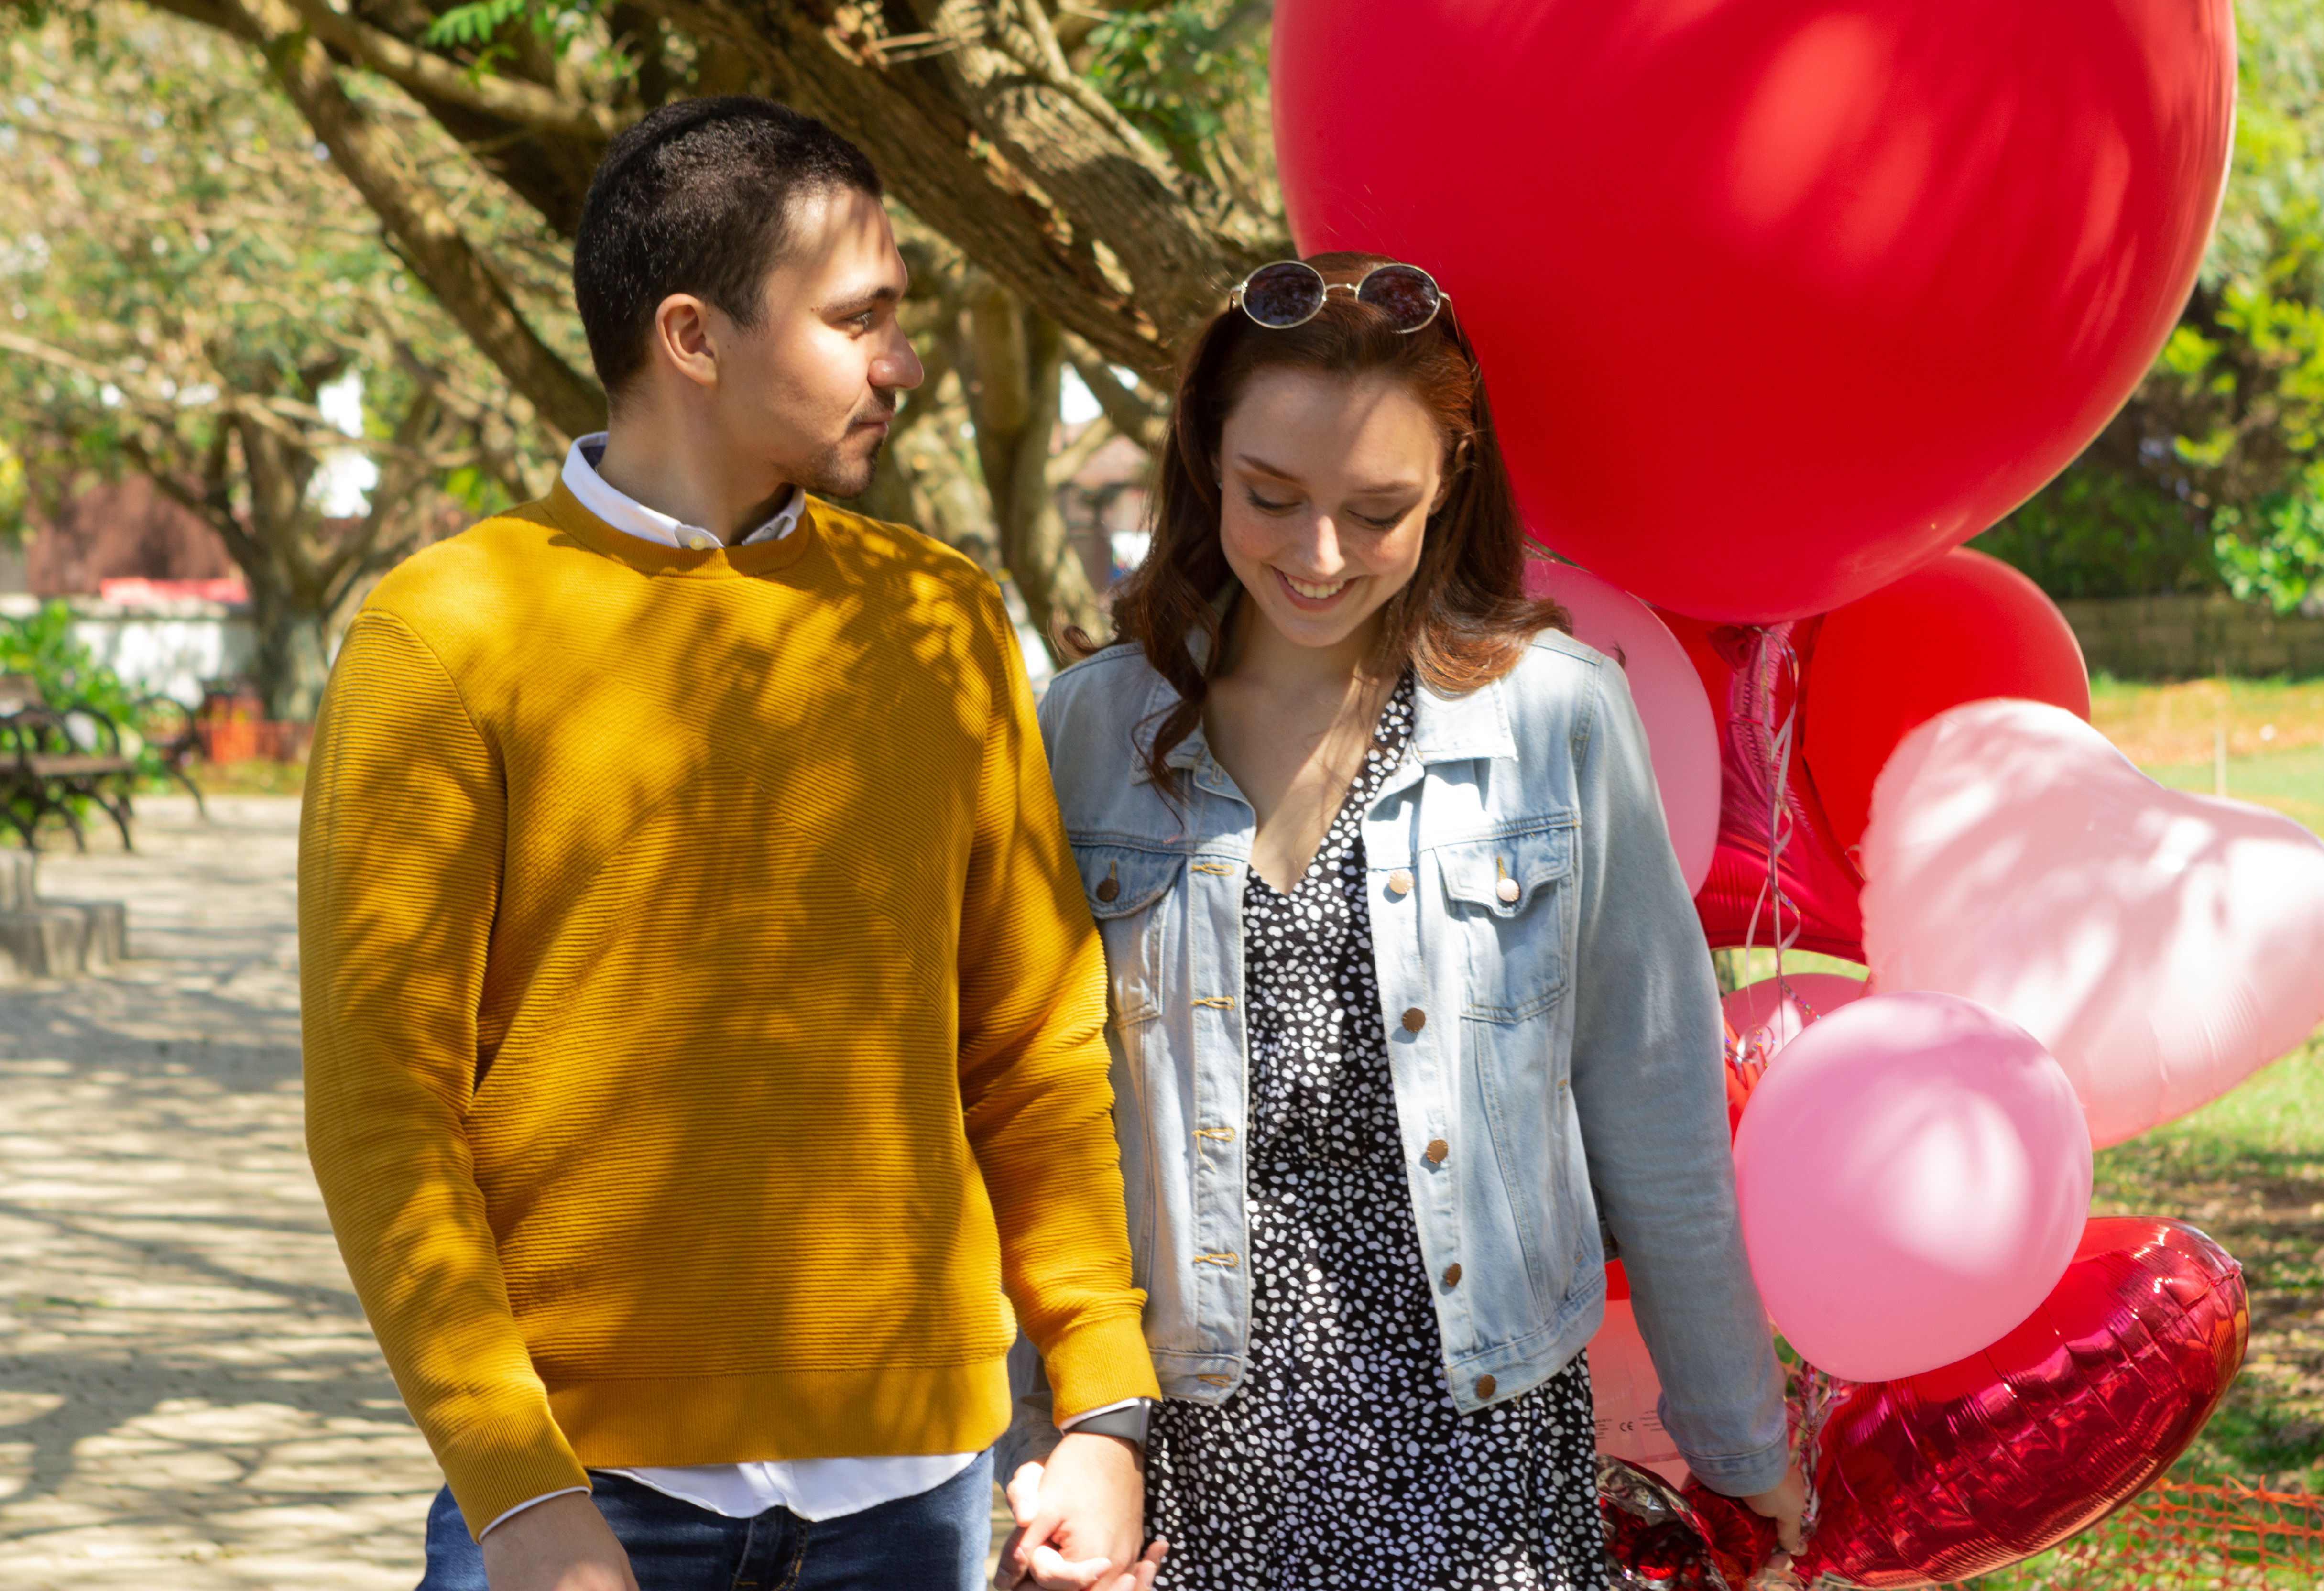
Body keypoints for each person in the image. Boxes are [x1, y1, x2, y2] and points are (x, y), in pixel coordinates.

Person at [297, 97, 1164, 1591]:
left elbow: (1031, 1040)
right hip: (585, 1500)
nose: (900, 360)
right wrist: (512, 1489)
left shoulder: (938, 616)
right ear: (693, 337)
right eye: (858, 319)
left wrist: (1102, 1403)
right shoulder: (442, 636)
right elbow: (387, 1118)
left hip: (925, 1506)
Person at [998, 253, 1808, 1589]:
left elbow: (1657, 1115)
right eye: (1272, 497)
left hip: (1484, 1451)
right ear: (1206, 461)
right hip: (1192, 1461)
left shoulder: (1560, 718)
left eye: (1378, 511)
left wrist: (1739, 1437)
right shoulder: (1085, 736)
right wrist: (1062, 1449)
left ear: (1453, 486)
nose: (1319, 557)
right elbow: (1039, 1134)